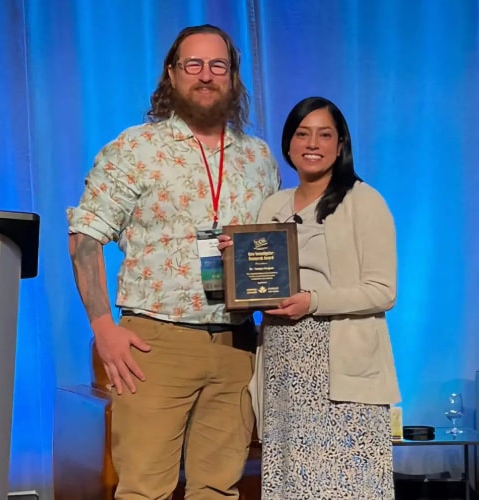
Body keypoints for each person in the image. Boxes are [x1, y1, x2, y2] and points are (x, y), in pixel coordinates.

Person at [66, 24, 280, 499]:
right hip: (155, 345)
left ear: (233, 76)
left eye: (217, 65)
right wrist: (103, 328)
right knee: (145, 489)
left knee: (220, 489)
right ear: (172, 73)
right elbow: (85, 237)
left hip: (237, 346)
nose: (206, 76)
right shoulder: (135, 148)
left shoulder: (259, 158)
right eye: (194, 65)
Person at [219, 96, 401, 499]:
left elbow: (383, 291)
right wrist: (233, 259)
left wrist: (312, 301)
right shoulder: (274, 204)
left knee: (345, 485)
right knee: (292, 480)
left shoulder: (363, 201)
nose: (312, 143)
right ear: (288, 145)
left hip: (338, 366)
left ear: (341, 146)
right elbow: (257, 273)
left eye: (324, 134)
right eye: (302, 134)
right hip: (283, 361)